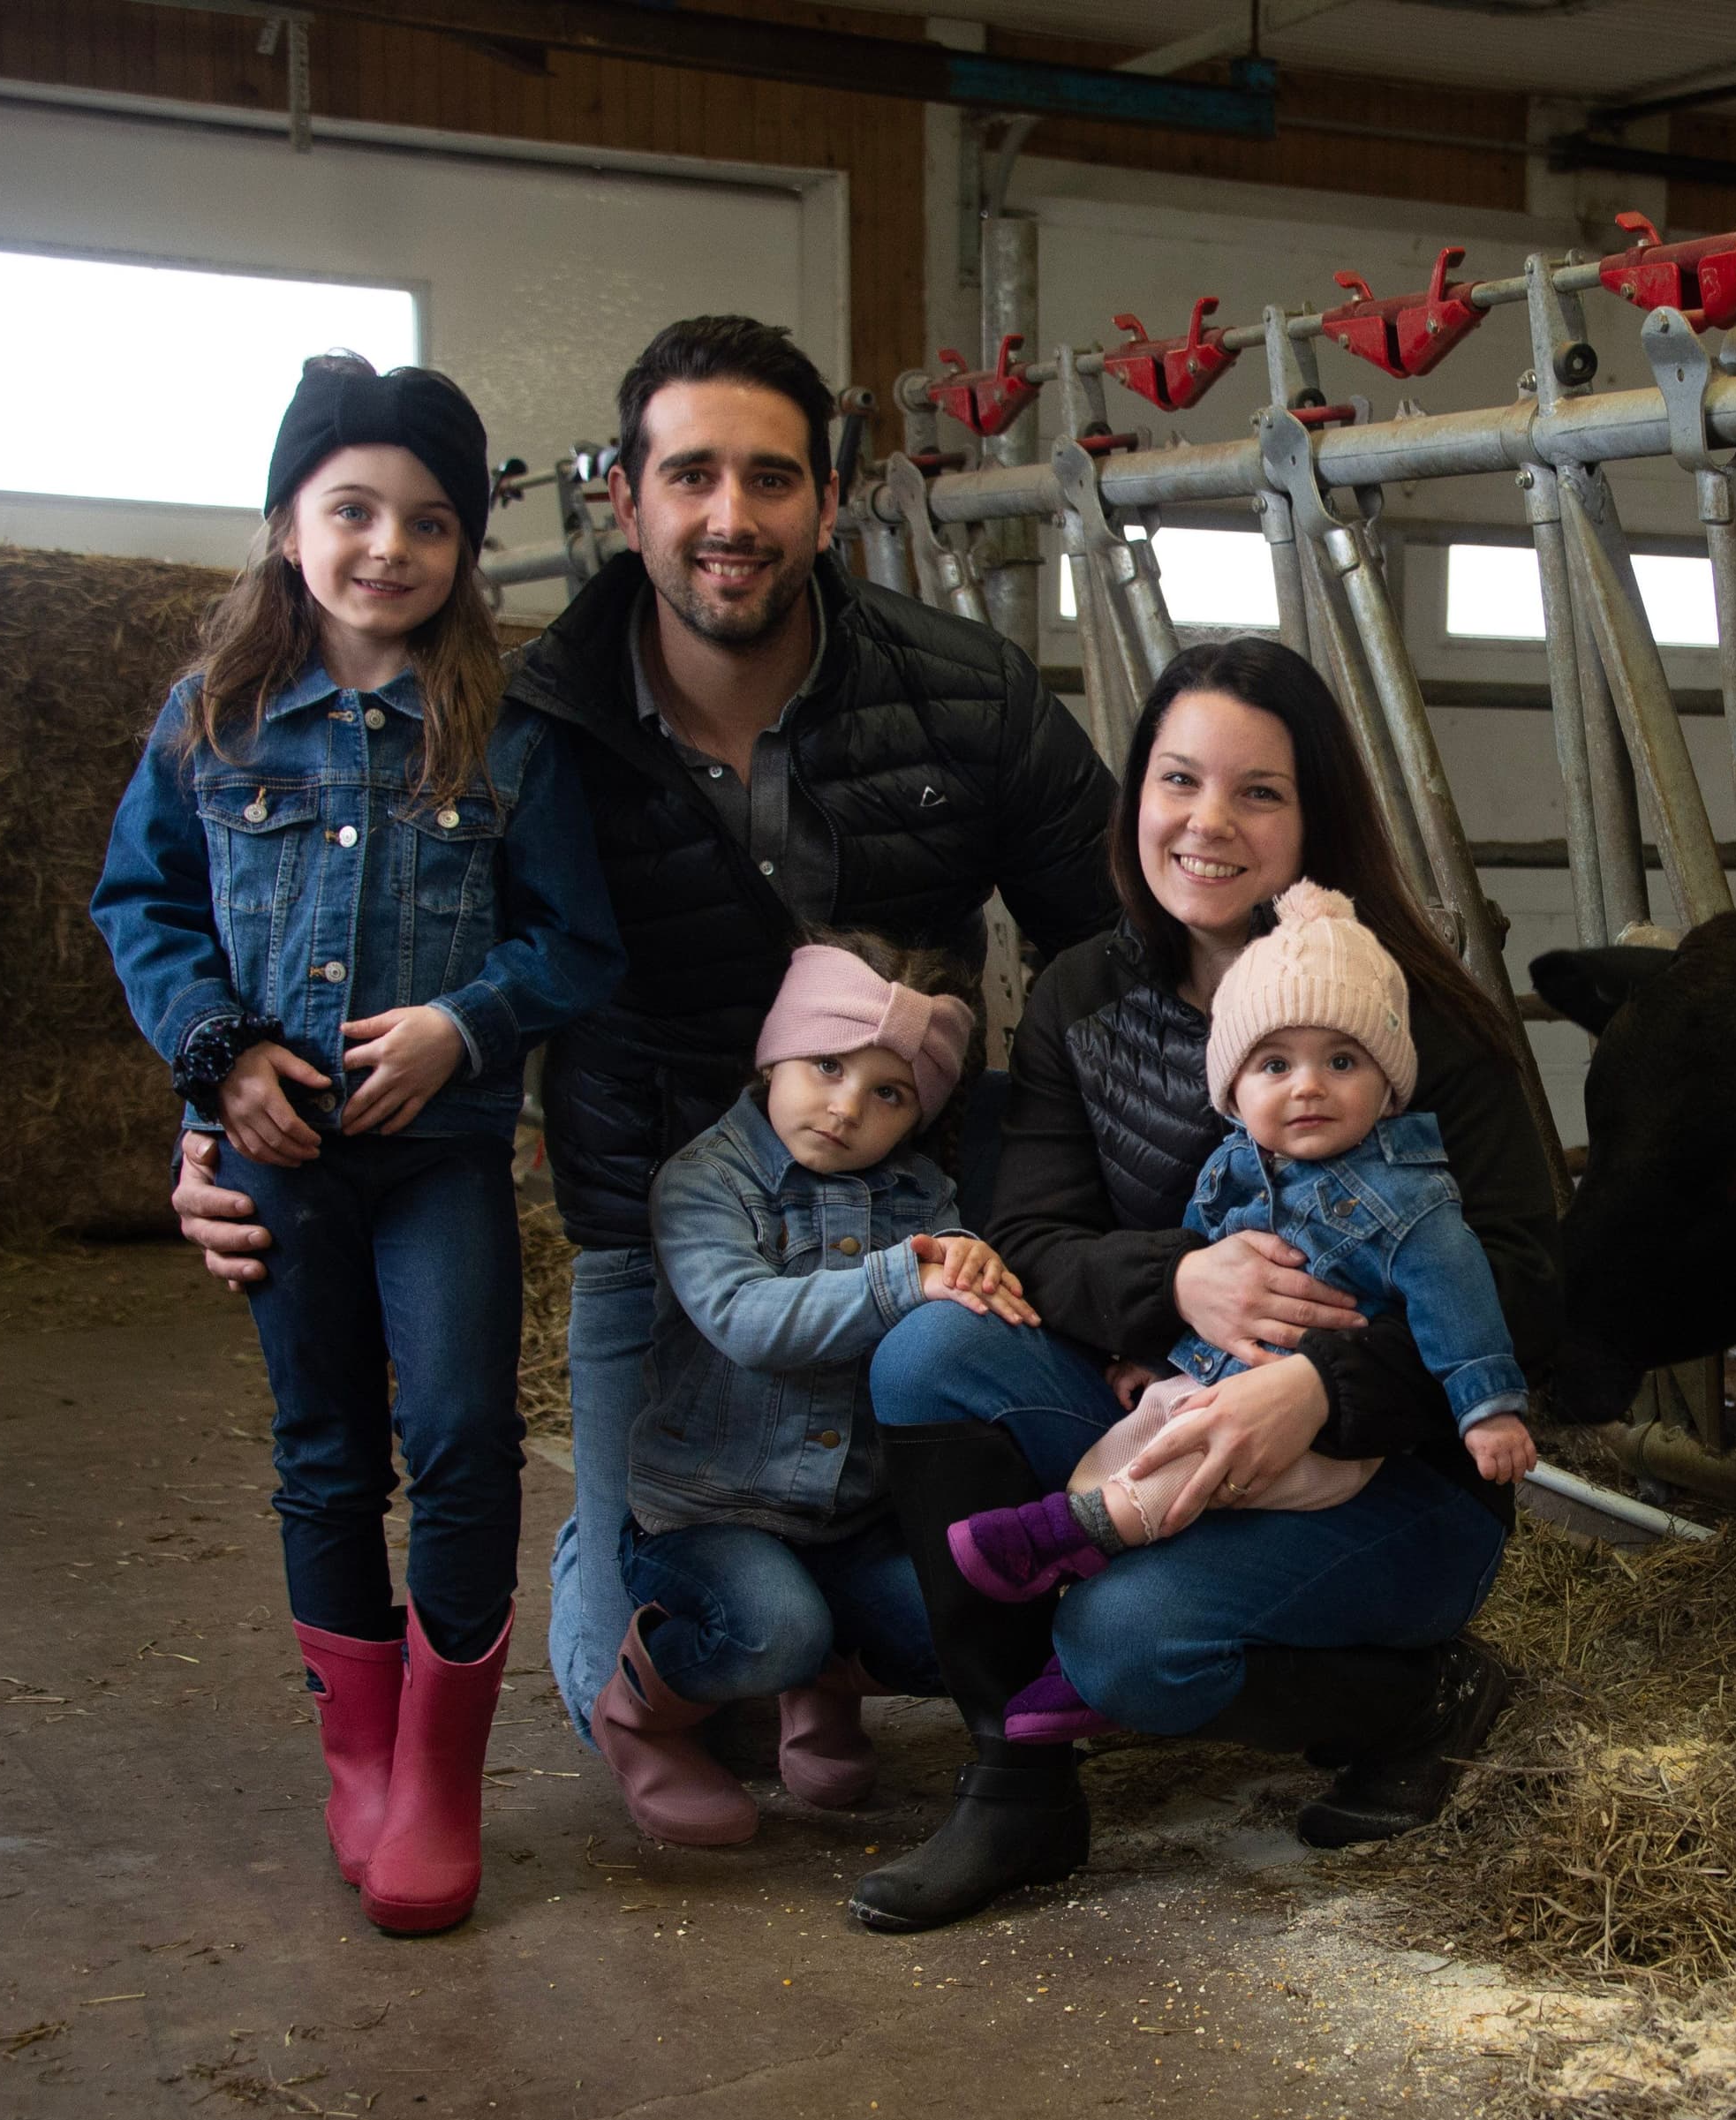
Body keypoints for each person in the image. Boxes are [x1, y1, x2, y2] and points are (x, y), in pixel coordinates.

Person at [163, 315, 1120, 1755]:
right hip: (650, 1240)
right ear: (628, 497)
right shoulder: (521, 720)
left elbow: (1106, 950)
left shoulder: (966, 693)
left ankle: (827, 1614)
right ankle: (643, 1555)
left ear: (829, 496)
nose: (730, 518)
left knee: (984, 1626)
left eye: (771, 478)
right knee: (653, 1664)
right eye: (691, 476)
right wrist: (205, 1108)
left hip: (901, 1205)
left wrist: (1069, 1209)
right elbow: (297, 919)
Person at [849, 636, 1560, 1935]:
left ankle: (1425, 1695)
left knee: (1129, 1644)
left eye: (1259, 793)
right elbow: (1037, 1233)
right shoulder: (1086, 994)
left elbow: (1530, 1285)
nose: (1208, 824)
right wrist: (1182, 1283)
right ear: (1135, 799)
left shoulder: (1419, 1017)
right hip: (1174, 1391)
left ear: (1319, 816)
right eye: (1178, 781)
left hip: (1392, 1478)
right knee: (926, 1356)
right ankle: (1017, 1787)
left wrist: (1322, 1388)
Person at [92, 356, 624, 1935]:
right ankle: (361, 1768)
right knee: (323, 1451)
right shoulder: (214, 722)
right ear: (284, 526)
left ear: (465, 550)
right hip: (282, 1149)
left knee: (462, 1433)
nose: (389, 546)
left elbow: (574, 943)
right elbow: (145, 905)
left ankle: (442, 1773)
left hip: (439, 1153)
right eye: (353, 510)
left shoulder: (509, 735)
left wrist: (468, 1021)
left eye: (431, 520)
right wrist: (216, 1050)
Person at [945, 879, 1539, 1750]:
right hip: (1215, 1376)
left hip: (1340, 1443)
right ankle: (1074, 1636)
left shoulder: (1412, 1203)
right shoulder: (1232, 1167)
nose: (1308, 1088)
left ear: (1389, 1084)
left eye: (1342, 1062)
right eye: (1274, 1065)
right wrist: (1157, 1342)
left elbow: (1467, 1306)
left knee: (1190, 1474)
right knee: (1138, 1436)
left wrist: (1488, 1409)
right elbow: (1191, 1256)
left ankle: (1068, 1552)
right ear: (1233, 1086)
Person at [595, 935, 1035, 1845]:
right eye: (827, 1065)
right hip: (708, 1513)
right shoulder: (705, 1181)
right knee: (770, 1627)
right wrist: (901, 1283)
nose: (846, 1108)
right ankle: (641, 1714)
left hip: (849, 1519)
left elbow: (944, 1318)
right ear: (774, 1052)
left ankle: (824, 1680)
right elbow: (749, 1322)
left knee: (951, 1626)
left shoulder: (924, 1198)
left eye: (889, 1093)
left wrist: (975, 1273)